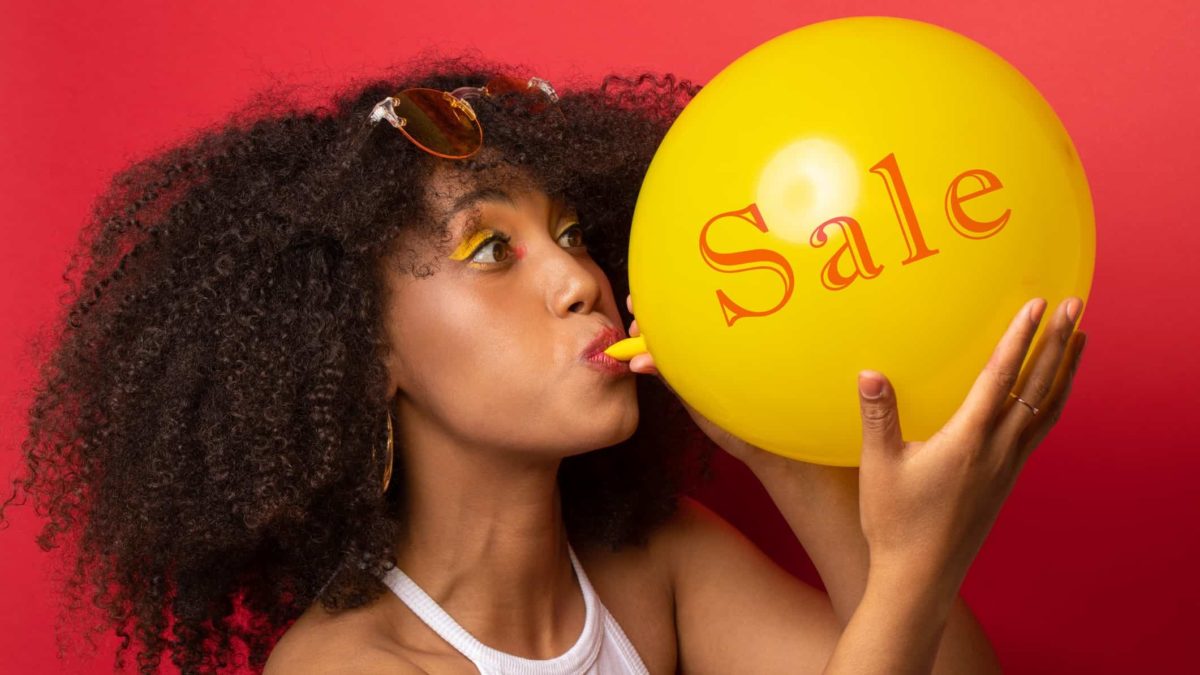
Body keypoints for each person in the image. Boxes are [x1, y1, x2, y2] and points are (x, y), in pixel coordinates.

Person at [0, 52, 1086, 675]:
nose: (580, 281)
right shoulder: (348, 671)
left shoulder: (655, 564)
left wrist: (803, 477)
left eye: (571, 235)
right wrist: (908, 569)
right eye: (490, 250)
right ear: (363, 354)